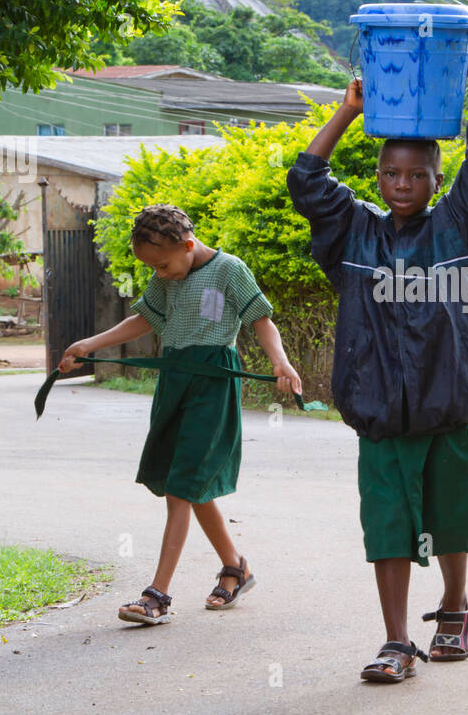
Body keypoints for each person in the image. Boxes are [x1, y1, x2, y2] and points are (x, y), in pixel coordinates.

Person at [287, 28, 468, 682]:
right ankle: (394, 641)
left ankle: (452, 608)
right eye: (391, 172)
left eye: (418, 174)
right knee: (388, 526)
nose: (403, 183)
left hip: (447, 408)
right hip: (381, 411)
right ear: (377, 174)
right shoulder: (353, 231)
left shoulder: (461, 229)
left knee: (450, 521)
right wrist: (348, 111)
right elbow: (307, 180)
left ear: (439, 179)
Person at [59, 204, 302, 625]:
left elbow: (261, 320)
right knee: (192, 482)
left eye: (164, 264)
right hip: (174, 382)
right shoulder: (166, 277)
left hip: (212, 384)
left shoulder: (229, 270)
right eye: (153, 267)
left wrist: (279, 362)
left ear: (188, 245)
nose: (161, 273)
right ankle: (236, 568)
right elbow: (143, 320)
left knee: (180, 488)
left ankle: (157, 595)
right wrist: (88, 345)